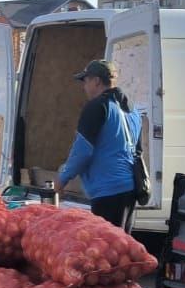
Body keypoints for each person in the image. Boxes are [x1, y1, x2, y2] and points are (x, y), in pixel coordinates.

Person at [57, 60, 141, 231]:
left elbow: (82, 152)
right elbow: (137, 151)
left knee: (106, 249)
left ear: (96, 81)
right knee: (122, 248)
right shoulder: (132, 110)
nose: (84, 87)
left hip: (107, 192)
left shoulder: (97, 107)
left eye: (86, 81)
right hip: (130, 189)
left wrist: (62, 179)